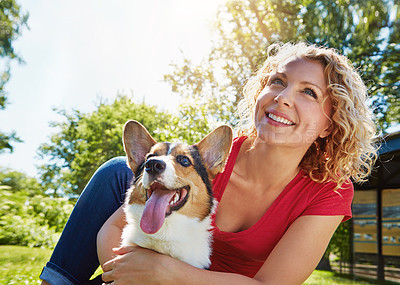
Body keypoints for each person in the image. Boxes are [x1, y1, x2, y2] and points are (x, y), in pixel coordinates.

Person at [40, 42, 377, 285]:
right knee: (119, 170)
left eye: (309, 93)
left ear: (330, 125)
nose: (283, 97)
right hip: (157, 265)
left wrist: (167, 274)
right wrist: (130, 273)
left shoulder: (328, 192)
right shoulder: (210, 158)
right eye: (277, 82)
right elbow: (114, 229)